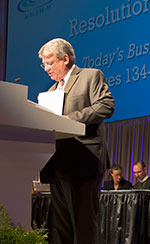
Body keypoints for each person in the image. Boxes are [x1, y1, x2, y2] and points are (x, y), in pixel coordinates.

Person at [38, 38, 115, 244]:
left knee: (83, 226)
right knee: (62, 228)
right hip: (57, 164)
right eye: (43, 64)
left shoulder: (90, 76)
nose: (46, 68)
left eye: (49, 62)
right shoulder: (51, 92)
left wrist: (70, 120)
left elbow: (106, 105)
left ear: (65, 58)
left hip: (84, 161)